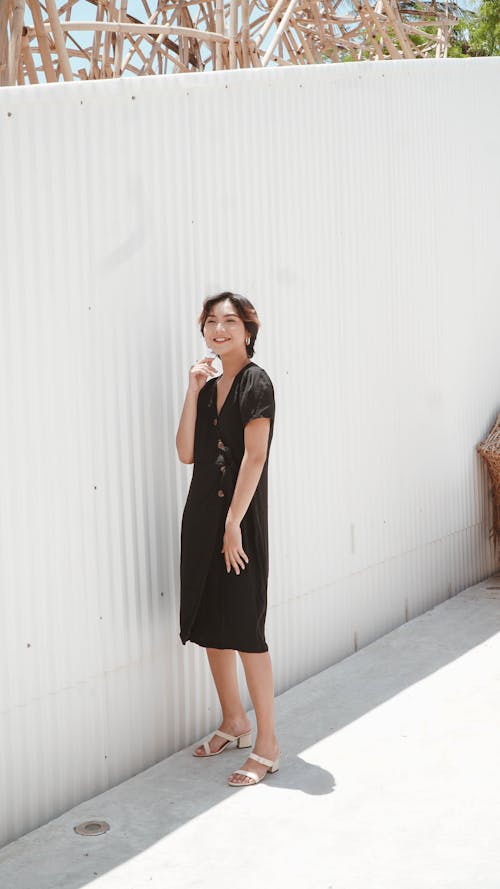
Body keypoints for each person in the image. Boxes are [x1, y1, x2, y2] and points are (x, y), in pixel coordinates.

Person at [175, 291, 280, 787]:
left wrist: (234, 523)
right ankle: (234, 722)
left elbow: (254, 458)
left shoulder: (256, 383)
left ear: (248, 331)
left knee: (245, 630)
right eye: (211, 322)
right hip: (201, 517)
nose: (219, 329)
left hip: (237, 521)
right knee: (209, 624)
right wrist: (193, 388)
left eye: (230, 321)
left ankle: (267, 743)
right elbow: (185, 453)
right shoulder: (211, 384)